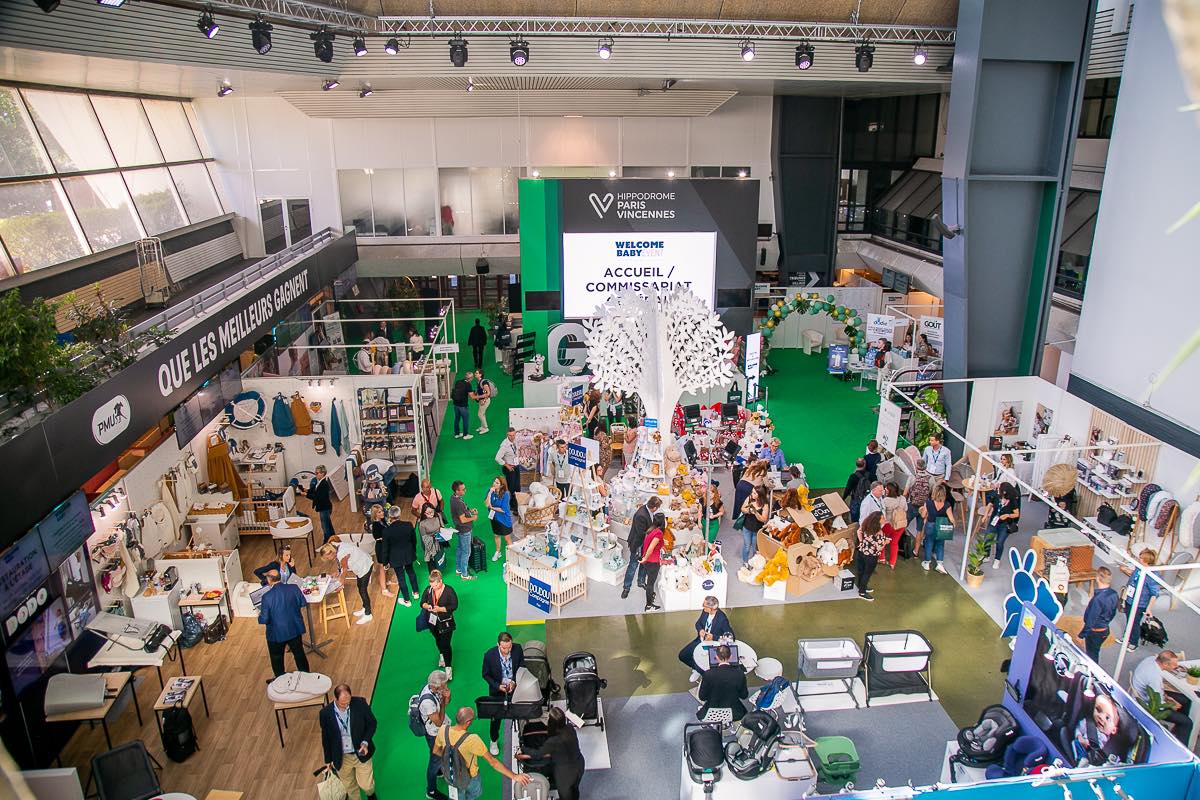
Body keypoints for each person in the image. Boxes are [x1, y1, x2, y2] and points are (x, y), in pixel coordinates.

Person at [432, 707, 531, 800]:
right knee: (472, 795)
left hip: (450, 775)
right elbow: (493, 762)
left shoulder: (443, 730)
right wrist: (514, 776)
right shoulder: (472, 739)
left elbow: (435, 751)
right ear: (468, 722)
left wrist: (452, 759)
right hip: (470, 777)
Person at [319, 683, 378, 800]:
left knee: (366, 785)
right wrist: (328, 759)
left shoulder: (360, 703)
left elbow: (372, 723)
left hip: (361, 752)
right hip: (341, 757)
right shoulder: (325, 714)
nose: (346, 705)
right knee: (350, 786)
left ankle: (370, 794)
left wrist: (365, 742)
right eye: (343, 703)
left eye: (348, 701)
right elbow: (326, 737)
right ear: (335, 699)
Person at [517, 706, 585, 800]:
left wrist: (523, 748)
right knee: (575, 788)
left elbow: (538, 754)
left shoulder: (553, 741)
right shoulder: (570, 728)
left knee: (565, 795)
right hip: (579, 764)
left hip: (565, 772)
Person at [1131, 650, 1193, 745]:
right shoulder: (1154, 677)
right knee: (1188, 723)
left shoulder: (1151, 659)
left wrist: (1166, 697)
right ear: (1165, 664)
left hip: (1148, 694)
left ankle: (1179, 730)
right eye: (1174, 665)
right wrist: (1171, 705)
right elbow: (1158, 703)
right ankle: (1180, 746)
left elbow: (1157, 692)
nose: (1176, 666)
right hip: (1148, 705)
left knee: (1185, 700)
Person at [257, 570, 310, 678]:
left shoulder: (267, 597)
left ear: (269, 580)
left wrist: (259, 614)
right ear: (280, 577)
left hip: (276, 634)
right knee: (299, 654)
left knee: (277, 658)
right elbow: (303, 603)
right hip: (294, 629)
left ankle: (280, 680)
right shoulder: (294, 588)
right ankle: (306, 678)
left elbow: (264, 619)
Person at [481, 632, 525, 754]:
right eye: (504, 648)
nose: (507, 651)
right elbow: (485, 675)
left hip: (515, 688)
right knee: (496, 717)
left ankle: (522, 738)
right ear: (498, 645)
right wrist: (497, 686)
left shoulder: (518, 649)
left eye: (509, 647)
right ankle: (494, 740)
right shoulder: (489, 655)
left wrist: (514, 682)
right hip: (497, 691)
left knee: (520, 712)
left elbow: (522, 666)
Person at [322, 537, 375, 625]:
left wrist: (340, 584)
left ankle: (368, 614)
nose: (329, 560)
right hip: (361, 564)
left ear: (331, 553)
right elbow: (341, 567)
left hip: (365, 566)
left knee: (363, 590)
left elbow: (345, 569)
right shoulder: (335, 546)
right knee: (360, 587)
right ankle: (365, 607)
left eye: (328, 558)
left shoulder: (341, 554)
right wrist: (338, 572)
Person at [678, 596, 735, 676]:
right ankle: (699, 670)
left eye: (704, 605)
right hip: (701, 640)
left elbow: (731, 638)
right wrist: (700, 630)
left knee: (709, 663)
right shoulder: (705, 611)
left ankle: (705, 674)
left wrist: (713, 637)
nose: (702, 606)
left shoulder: (722, 619)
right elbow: (698, 623)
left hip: (713, 645)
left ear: (711, 608)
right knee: (682, 655)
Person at [1118, 548, 1162, 652]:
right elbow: (1134, 576)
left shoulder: (1152, 575)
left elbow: (1155, 593)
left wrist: (1149, 608)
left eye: (1141, 558)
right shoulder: (1139, 568)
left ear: (1146, 561)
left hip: (1140, 603)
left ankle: (1133, 643)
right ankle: (1127, 637)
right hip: (1130, 598)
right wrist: (1125, 570)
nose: (1139, 559)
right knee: (1129, 620)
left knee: (1134, 622)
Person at [418, 670, 452, 800]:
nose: (446, 687)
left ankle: (439, 771)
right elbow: (438, 722)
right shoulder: (427, 702)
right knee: (434, 761)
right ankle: (431, 791)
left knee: (437, 757)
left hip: (439, 729)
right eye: (444, 685)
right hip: (434, 734)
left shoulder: (435, 689)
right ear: (436, 686)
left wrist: (447, 697)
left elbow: (446, 702)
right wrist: (443, 702)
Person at [420, 570, 459, 679]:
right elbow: (422, 602)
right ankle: (441, 654)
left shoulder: (449, 590)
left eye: (435, 585)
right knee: (438, 640)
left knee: (445, 644)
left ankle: (448, 667)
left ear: (440, 581)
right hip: (433, 621)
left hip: (446, 622)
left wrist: (440, 609)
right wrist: (427, 606)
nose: (433, 588)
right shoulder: (429, 590)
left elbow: (454, 606)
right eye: (431, 585)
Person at [622, 496, 661, 599]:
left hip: (645, 544)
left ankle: (641, 581)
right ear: (654, 507)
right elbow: (641, 534)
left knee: (644, 564)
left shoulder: (647, 510)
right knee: (633, 566)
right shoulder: (641, 515)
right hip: (638, 544)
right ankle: (626, 587)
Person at [697, 644, 749, 722]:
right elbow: (744, 696)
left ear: (717, 657)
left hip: (711, 712)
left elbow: (702, 697)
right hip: (734, 712)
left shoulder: (708, 674)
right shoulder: (740, 674)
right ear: (731, 657)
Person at [381, 505, 419, 606]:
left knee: (401, 578)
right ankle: (416, 592)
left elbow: (385, 549)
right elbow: (414, 540)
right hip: (408, 553)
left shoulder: (386, 531)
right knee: (411, 572)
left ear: (390, 516)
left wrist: (385, 563)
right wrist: (413, 551)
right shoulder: (408, 525)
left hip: (395, 558)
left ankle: (407, 600)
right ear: (399, 514)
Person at [1080, 566, 1119, 663]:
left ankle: (1092, 671)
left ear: (1098, 578)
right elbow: (1113, 612)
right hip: (1105, 630)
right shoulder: (1114, 594)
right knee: (1095, 651)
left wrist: (1082, 635)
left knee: (1092, 656)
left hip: (1095, 633)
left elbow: (1091, 619)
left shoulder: (1098, 599)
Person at [919, 483, 956, 573]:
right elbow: (952, 519)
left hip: (930, 525)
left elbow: (923, 515)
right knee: (940, 545)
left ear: (934, 493)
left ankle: (927, 563)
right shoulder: (947, 505)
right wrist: (953, 525)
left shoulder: (928, 503)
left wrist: (922, 511)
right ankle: (939, 564)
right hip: (941, 527)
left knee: (929, 543)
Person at [986, 482, 1022, 569]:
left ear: (1005, 492)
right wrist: (986, 515)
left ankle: (997, 560)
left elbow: (1017, 514)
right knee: (987, 539)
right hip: (994, 521)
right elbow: (990, 504)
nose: (998, 490)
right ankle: (986, 556)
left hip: (1005, 524)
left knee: (999, 543)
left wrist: (1007, 515)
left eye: (1000, 489)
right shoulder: (996, 496)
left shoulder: (1012, 501)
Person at [855, 511, 888, 601]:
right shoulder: (879, 532)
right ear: (877, 520)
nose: (884, 519)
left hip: (862, 551)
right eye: (882, 518)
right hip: (871, 556)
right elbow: (879, 547)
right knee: (867, 573)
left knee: (861, 570)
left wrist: (861, 542)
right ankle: (862, 592)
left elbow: (859, 531)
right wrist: (886, 542)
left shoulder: (865, 525)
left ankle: (861, 586)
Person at [449, 481, 478, 581]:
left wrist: (469, 511)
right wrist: (473, 517)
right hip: (465, 530)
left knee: (460, 549)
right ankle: (464, 574)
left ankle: (459, 569)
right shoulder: (458, 503)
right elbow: (463, 519)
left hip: (459, 528)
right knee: (466, 552)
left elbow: (461, 513)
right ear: (457, 491)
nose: (465, 490)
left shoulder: (453, 498)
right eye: (463, 489)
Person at [301, 465, 335, 542]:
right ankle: (333, 538)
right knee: (328, 524)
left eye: (317, 473)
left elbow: (318, 497)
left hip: (324, 508)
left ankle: (327, 541)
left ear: (323, 473)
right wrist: (307, 491)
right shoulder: (320, 482)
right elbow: (315, 490)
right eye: (315, 473)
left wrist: (306, 495)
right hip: (324, 507)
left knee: (325, 526)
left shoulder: (324, 484)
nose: (316, 474)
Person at [640, 512, 667, 611]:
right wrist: (645, 558)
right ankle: (649, 606)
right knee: (650, 584)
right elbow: (651, 548)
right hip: (652, 562)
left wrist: (662, 543)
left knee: (650, 582)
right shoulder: (659, 533)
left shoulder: (651, 530)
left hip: (648, 561)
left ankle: (651, 596)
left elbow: (651, 543)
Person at [485, 477, 513, 563]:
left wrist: (492, 507)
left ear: (501, 485)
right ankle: (498, 552)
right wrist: (490, 493)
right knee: (496, 535)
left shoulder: (506, 494)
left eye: (497, 483)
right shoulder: (491, 491)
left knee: (507, 538)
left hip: (504, 519)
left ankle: (512, 556)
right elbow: (486, 504)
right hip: (494, 518)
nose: (494, 484)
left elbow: (503, 510)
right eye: (494, 481)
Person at [879, 483, 907, 568]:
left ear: (889, 491)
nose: (884, 489)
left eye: (886, 488)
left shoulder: (885, 500)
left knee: (882, 539)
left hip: (889, 524)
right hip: (901, 524)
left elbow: (882, 513)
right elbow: (906, 509)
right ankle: (892, 562)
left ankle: (882, 558)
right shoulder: (902, 498)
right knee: (894, 543)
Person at [740, 485, 770, 564]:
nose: (752, 494)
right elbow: (742, 509)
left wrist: (756, 513)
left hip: (757, 530)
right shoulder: (750, 498)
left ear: (759, 495)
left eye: (754, 493)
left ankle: (754, 563)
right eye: (752, 492)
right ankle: (745, 562)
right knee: (747, 546)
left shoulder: (765, 504)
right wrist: (749, 511)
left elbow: (764, 519)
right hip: (747, 527)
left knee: (755, 549)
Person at [495, 428, 521, 512]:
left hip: (516, 466)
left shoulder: (515, 441)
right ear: (507, 435)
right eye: (510, 435)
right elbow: (497, 458)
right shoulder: (504, 445)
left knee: (517, 487)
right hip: (510, 469)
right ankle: (513, 506)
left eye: (513, 435)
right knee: (512, 488)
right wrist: (506, 465)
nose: (512, 437)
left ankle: (515, 504)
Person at [419, 503, 446, 570]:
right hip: (430, 545)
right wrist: (434, 537)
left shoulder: (438, 516)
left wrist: (446, 531)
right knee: (432, 562)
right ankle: (433, 574)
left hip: (439, 541)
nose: (431, 514)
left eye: (432, 511)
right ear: (424, 513)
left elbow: (442, 526)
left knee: (440, 557)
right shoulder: (422, 523)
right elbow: (424, 538)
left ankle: (440, 570)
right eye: (428, 513)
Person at [451, 372, 474, 440]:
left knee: (457, 419)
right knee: (465, 420)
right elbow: (472, 396)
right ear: (470, 378)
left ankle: (457, 434)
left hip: (456, 404)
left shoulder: (458, 382)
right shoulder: (468, 384)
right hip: (463, 406)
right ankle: (465, 435)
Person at [473, 369, 492, 435]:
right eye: (475, 373)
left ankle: (486, 428)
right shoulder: (479, 381)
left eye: (477, 373)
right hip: (481, 400)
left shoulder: (484, 382)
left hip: (485, 401)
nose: (475, 374)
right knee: (482, 413)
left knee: (480, 414)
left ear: (480, 374)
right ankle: (482, 426)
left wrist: (483, 400)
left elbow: (488, 393)